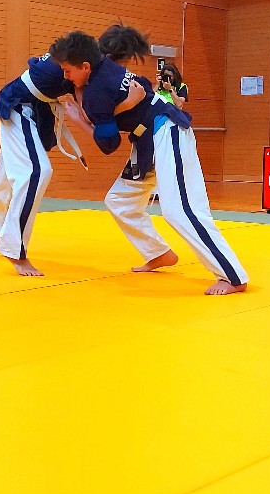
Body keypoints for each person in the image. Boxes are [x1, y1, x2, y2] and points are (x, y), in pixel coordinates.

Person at [51, 27, 248, 295]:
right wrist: (123, 106)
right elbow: (143, 87)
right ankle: (158, 253)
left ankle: (232, 275)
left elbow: (109, 144)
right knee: (120, 201)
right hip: (146, 141)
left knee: (180, 210)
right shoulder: (104, 67)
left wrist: (79, 120)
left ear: (85, 66)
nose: (65, 76)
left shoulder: (97, 93)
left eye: (68, 71)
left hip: (168, 131)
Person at [0, 47, 145, 276]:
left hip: (33, 107)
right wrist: (128, 104)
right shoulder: (78, 67)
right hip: (18, 105)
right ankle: (14, 249)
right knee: (36, 172)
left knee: (10, 167)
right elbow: (92, 120)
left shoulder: (75, 56)